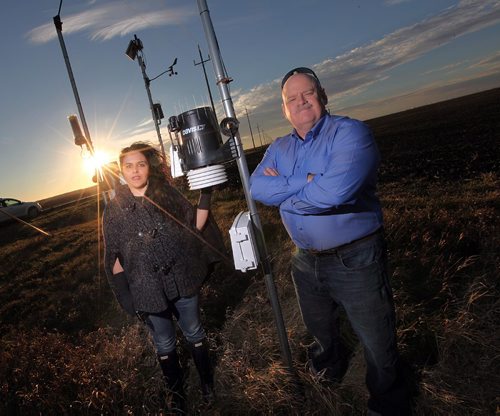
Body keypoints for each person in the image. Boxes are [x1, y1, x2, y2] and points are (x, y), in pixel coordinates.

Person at [249, 68, 410, 415]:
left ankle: (387, 402)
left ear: (322, 94)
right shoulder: (279, 147)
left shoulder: (350, 133)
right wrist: (308, 180)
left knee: (376, 337)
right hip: (305, 260)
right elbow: (256, 188)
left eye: (307, 93)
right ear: (284, 109)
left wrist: (285, 193)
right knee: (319, 329)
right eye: (291, 98)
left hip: (356, 257)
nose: (300, 101)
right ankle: (327, 374)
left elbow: (334, 194)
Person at [102, 141, 225, 414]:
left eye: (141, 164)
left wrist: (206, 193)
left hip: (182, 279)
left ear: (149, 167)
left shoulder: (167, 193)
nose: (135, 171)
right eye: (129, 166)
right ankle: (177, 397)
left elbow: (195, 225)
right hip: (147, 290)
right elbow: (115, 258)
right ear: (121, 171)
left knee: (194, 332)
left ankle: (207, 386)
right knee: (165, 342)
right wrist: (128, 298)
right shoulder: (113, 210)